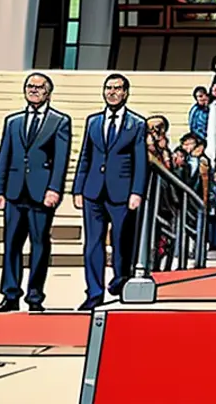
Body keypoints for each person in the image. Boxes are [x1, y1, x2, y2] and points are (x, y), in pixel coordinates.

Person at [0, 73, 72, 312]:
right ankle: (10, 295)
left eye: (39, 87)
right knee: (11, 245)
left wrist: (54, 189)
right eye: (30, 86)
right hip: (14, 192)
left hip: (41, 193)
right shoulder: (13, 121)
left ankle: (35, 296)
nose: (33, 90)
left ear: (48, 92)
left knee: (39, 244)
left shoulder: (59, 121)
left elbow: (61, 160)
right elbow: (4, 155)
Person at [72, 73, 147, 310]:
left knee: (121, 241)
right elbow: (86, 155)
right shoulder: (93, 121)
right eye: (108, 88)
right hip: (93, 190)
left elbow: (140, 161)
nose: (112, 92)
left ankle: (120, 280)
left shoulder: (136, 124)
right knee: (93, 243)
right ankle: (94, 292)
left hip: (122, 191)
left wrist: (137, 191)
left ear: (125, 93)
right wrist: (78, 188)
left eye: (117, 88)